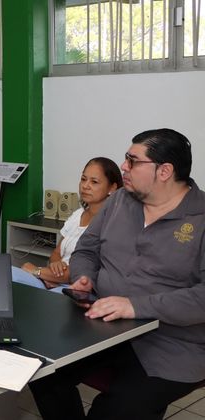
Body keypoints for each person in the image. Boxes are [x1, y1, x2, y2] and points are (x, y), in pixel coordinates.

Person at [29, 129, 205, 420]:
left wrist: (135, 306)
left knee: (116, 410)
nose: (124, 166)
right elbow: (86, 250)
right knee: (42, 372)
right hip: (103, 324)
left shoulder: (200, 218)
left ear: (164, 171)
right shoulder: (120, 200)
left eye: (132, 161)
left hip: (171, 343)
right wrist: (84, 277)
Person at [12, 157, 122, 292]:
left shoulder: (113, 223)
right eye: (83, 179)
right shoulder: (77, 214)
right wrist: (55, 267)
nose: (85, 186)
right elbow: (56, 253)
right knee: (9, 274)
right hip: (54, 279)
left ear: (112, 188)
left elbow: (84, 270)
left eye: (94, 182)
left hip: (78, 287)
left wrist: (37, 271)